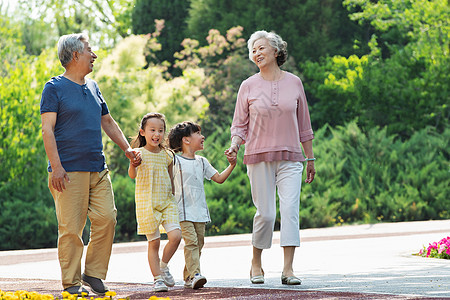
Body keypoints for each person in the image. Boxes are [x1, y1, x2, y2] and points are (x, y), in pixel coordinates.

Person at [40, 33, 140, 296]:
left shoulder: (94, 87)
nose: (93, 55)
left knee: (107, 218)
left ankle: (93, 273)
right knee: (72, 230)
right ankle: (71, 284)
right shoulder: (54, 88)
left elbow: (107, 121)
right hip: (68, 171)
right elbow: (47, 130)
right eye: (89, 50)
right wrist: (56, 167)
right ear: (75, 55)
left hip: (97, 167)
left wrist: (127, 149)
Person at [225, 30, 316, 285]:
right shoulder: (248, 86)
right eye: (253, 50)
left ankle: (288, 269)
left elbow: (304, 124)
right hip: (257, 156)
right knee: (265, 214)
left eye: (261, 48)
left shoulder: (294, 82)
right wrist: (234, 146)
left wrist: (310, 159)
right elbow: (239, 125)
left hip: (291, 157)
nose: (257, 53)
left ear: (276, 51)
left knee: (289, 211)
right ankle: (256, 262)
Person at [168, 121, 236, 289]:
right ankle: (196, 274)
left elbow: (219, 179)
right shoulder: (174, 160)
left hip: (200, 212)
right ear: (186, 140)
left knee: (199, 244)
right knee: (191, 243)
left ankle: (188, 276)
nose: (202, 136)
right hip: (182, 211)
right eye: (198, 133)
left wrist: (232, 165)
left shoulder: (202, 161)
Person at [128, 112, 182, 293]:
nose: (157, 134)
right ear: (143, 132)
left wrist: (173, 195)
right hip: (147, 203)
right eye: (152, 130)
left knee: (176, 236)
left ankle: (163, 265)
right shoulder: (138, 153)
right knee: (154, 243)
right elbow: (132, 175)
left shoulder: (168, 155)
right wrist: (132, 164)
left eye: (160, 130)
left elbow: (170, 178)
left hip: (167, 202)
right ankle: (157, 278)